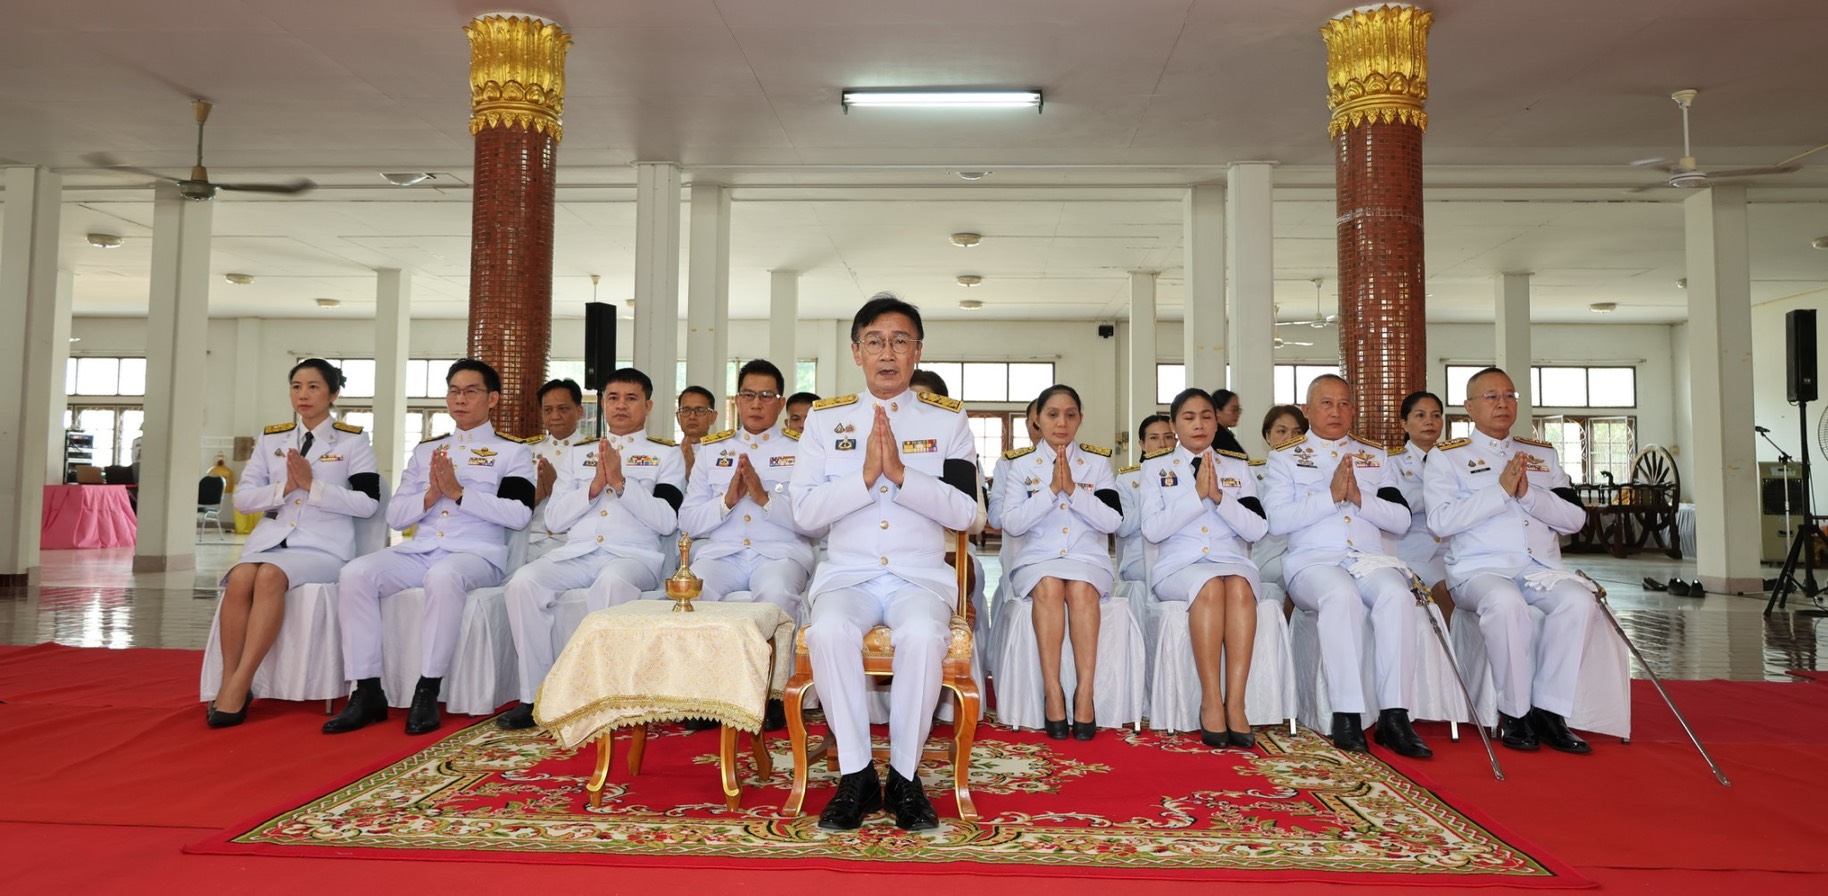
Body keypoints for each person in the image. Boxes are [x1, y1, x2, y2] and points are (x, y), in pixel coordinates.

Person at [791, 293, 978, 833]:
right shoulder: (825, 421)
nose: (888, 352)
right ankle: (856, 776)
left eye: (900, 341)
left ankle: (903, 777)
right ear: (857, 352)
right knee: (828, 632)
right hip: (848, 574)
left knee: (922, 635)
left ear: (917, 351)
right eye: (874, 341)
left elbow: (967, 513)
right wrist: (865, 477)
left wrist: (901, 475)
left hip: (918, 576)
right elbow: (805, 514)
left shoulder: (948, 421)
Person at [325, 359, 535, 736]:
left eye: (471, 391)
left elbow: (519, 514)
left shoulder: (512, 452)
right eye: (454, 391)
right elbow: (396, 516)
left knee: (444, 576)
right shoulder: (427, 451)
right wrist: (430, 496)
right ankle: (367, 690)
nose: (460, 399)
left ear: (493, 399)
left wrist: (458, 492)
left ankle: (428, 688)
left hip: (475, 554)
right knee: (356, 573)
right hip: (420, 550)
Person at [497, 367, 686, 731]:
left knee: (611, 584)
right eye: (613, 398)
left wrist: (621, 483)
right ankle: (535, 695)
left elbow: (666, 520)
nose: (621, 406)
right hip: (578, 553)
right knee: (523, 583)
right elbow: (555, 519)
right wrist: (594, 487)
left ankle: (607, 694)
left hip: (633, 556)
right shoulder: (578, 454)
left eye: (631, 398)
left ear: (648, 406)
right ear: (602, 404)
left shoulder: (666, 455)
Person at [1423, 367, 1595, 754]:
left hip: (1539, 569)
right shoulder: (1447, 457)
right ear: (1469, 407)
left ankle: (1550, 712)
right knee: (1505, 602)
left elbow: (1575, 520)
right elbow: (1440, 522)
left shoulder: (1542, 455)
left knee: (1579, 601)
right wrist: (1500, 491)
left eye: (1509, 395)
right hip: (1478, 570)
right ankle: (1515, 713)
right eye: (1491, 396)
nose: (1502, 403)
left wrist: (1530, 495)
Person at [1263, 375, 1431, 757]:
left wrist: (1359, 498)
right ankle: (1347, 713)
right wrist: (1330, 496)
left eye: (1343, 404)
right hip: (1312, 561)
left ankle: (1394, 716)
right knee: (1341, 596)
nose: (1335, 411)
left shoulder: (1375, 456)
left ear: (1353, 410)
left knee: (1397, 595)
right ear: (1307, 410)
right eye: (1326, 403)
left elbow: (1401, 519)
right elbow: (1276, 519)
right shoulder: (1284, 457)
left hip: (1368, 559)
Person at [207, 359, 380, 728]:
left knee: (269, 576)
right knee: (240, 577)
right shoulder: (273, 438)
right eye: (296, 386)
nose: (303, 394)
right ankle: (229, 680)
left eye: (314, 387)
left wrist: (312, 486)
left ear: (333, 394)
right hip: (271, 541)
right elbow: (243, 499)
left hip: (323, 548)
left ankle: (240, 683)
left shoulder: (353, 440)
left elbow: (368, 503)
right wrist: (284, 488)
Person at [677, 359, 821, 730]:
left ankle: (773, 695)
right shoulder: (712, 451)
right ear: (737, 400)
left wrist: (764, 497)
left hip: (779, 553)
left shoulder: (803, 449)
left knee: (775, 595)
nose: (756, 403)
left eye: (766, 395)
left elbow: (815, 522)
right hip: (722, 553)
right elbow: (687, 520)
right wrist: (726, 501)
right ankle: (705, 696)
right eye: (748, 395)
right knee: (695, 593)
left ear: (780, 402)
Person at [989, 384, 1121, 740]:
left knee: (1081, 589)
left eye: (1070, 415)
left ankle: (1085, 693)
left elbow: (1112, 521)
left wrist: (1074, 491)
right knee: (1048, 586)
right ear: (1038, 419)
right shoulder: (1020, 466)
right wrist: (1050, 491)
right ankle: (1053, 692)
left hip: (1086, 558)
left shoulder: (1097, 464)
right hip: (1037, 559)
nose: (1061, 422)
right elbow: (1011, 522)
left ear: (1080, 419)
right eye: (1052, 414)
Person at [1140, 388, 1267, 748]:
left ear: (1216, 423)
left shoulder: (1237, 467)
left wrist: (1220, 497)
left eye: (1206, 416)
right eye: (1189, 417)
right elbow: (1152, 530)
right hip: (1178, 566)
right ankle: (1211, 700)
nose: (1199, 424)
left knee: (1239, 586)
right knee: (1210, 585)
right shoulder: (1154, 468)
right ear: (1174, 424)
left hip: (1231, 561)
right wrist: (1196, 495)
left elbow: (1257, 529)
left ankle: (1236, 704)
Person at [1391, 391, 1452, 621]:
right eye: (1420, 415)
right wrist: (1438, 494)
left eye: (1436, 416)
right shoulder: (1391, 462)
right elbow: (1396, 506)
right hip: (1413, 552)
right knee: (1445, 593)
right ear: (1404, 423)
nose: (1429, 421)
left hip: (1453, 550)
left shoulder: (1454, 459)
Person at [527, 379, 586, 562]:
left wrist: (556, 490)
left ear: (579, 411)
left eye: (563, 409)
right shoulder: (527, 450)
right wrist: (537, 496)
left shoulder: (594, 452)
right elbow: (511, 506)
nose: (555, 416)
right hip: (530, 540)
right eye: (548, 410)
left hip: (572, 541)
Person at [1251, 405, 1308, 587]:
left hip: (1309, 550)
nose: (1289, 439)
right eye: (1281, 431)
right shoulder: (1251, 474)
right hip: (1270, 555)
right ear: (1268, 435)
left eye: (1297, 432)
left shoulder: (1315, 475)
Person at [1115, 414, 1174, 586]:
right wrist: (1157, 499)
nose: (1162, 444)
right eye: (1154, 438)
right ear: (1142, 444)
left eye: (1168, 437)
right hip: (1140, 555)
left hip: (1181, 551)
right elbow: (1123, 527)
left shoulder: (1189, 475)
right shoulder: (1127, 479)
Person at [677, 385, 719, 477]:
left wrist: (691, 468)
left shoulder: (722, 455)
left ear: (713, 417)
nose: (692, 416)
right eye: (686, 410)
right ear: (678, 417)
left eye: (700, 410)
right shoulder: (667, 454)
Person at [1210, 388, 1247, 456]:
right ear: (1217, 412)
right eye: (1234, 410)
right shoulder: (1217, 438)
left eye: (1238, 409)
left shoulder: (1225, 434)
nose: (1237, 414)